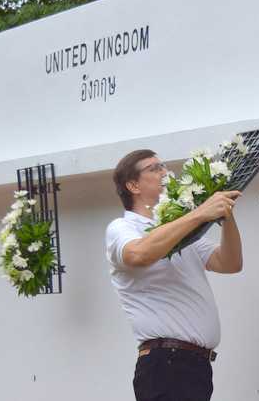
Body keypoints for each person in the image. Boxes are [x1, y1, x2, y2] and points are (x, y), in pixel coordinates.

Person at [105, 149, 243, 401]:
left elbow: (230, 262)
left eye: (164, 165)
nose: (165, 172)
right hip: (166, 364)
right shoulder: (122, 228)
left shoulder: (180, 228)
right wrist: (200, 212)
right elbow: (139, 254)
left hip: (194, 366)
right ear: (133, 185)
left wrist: (227, 213)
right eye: (154, 168)